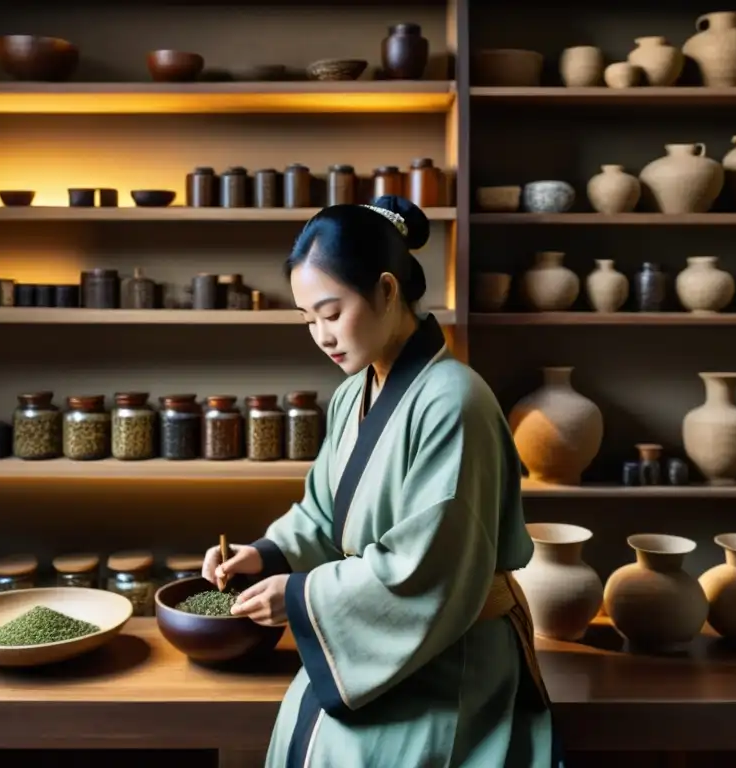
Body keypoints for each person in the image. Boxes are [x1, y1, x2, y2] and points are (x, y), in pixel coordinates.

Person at [202, 195, 561, 768]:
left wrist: (297, 596)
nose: (321, 335)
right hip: (377, 637)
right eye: (308, 319)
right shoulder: (352, 396)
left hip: (449, 650)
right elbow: (323, 514)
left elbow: (430, 566)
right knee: (306, 721)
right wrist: (266, 555)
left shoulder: (455, 402)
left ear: (388, 291)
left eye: (331, 311)